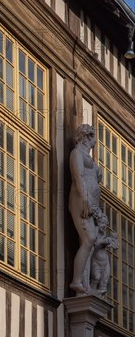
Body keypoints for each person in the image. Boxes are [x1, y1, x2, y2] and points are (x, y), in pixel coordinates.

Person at [69, 124, 102, 294]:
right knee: (88, 239)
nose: (96, 140)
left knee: (90, 243)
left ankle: (86, 286)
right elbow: (78, 176)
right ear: (87, 136)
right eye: (94, 136)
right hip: (81, 201)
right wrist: (85, 199)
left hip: (92, 206)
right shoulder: (77, 153)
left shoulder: (89, 158)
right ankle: (76, 281)